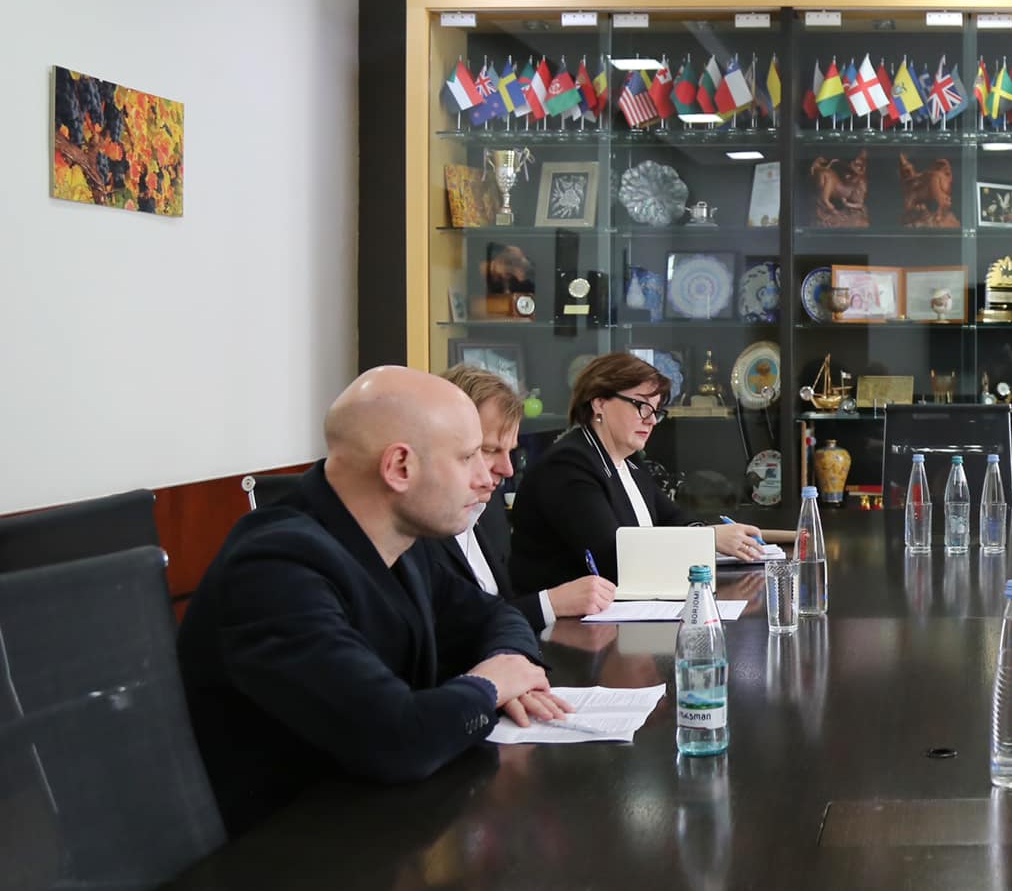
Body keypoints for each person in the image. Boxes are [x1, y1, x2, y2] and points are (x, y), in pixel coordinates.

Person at [178, 367, 567, 835]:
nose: (487, 476)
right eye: (468, 457)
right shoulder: (273, 569)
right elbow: (397, 737)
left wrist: (511, 663)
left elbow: (493, 615)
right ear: (400, 467)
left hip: (374, 820)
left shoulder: (400, 542)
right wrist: (490, 685)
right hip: (290, 855)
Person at [510, 352, 763, 596]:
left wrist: (713, 535)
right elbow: (613, 557)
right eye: (642, 406)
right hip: (569, 619)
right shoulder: (568, 465)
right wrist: (708, 539)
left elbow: (673, 519)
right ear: (599, 402)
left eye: (656, 411)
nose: (651, 421)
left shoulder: (628, 460)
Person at [431, 364, 616, 631]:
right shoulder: (416, 527)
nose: (507, 469)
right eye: (489, 450)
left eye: (510, 452)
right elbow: (448, 632)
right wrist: (550, 604)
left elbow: (499, 608)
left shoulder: (489, 510)